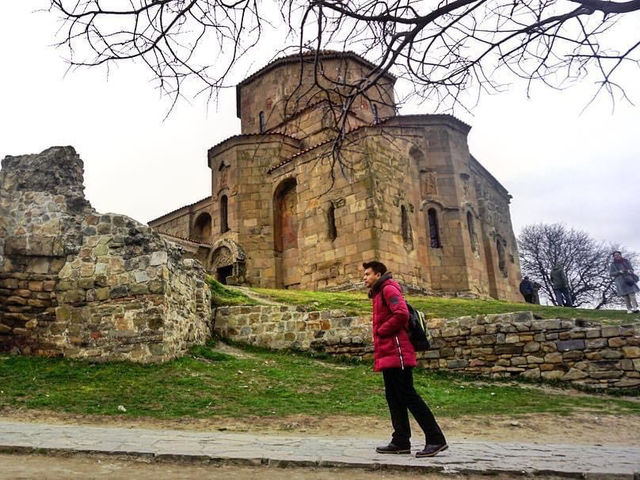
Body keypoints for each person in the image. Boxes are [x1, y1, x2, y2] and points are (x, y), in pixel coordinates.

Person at [362, 261, 447, 458]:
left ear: (378, 274)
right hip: (388, 352)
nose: (364, 278)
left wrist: (382, 331)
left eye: (367, 274)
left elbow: (401, 313)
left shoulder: (389, 289)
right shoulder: (378, 293)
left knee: (408, 395)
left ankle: (436, 439)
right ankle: (400, 440)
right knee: (393, 397)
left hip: (397, 351)